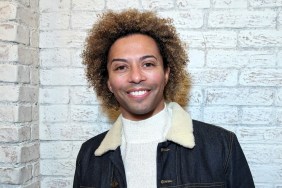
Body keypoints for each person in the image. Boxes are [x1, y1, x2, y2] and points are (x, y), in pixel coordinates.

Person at [73, 9, 255, 188]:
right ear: (108, 82)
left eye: (148, 64)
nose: (136, 77)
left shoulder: (222, 146)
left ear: (167, 73)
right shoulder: (89, 156)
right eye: (121, 67)